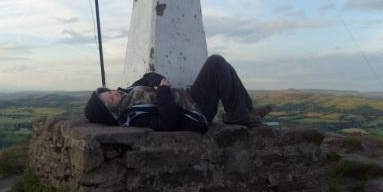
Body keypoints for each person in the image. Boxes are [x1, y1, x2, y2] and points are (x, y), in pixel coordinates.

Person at [84, 55, 271, 132]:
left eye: (109, 91)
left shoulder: (127, 92)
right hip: (196, 111)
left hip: (190, 96)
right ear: (111, 111)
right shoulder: (133, 117)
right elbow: (168, 123)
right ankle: (237, 116)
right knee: (216, 63)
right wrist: (164, 92)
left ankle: (246, 111)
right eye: (110, 97)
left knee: (222, 65)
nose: (113, 93)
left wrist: (157, 82)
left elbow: (147, 77)